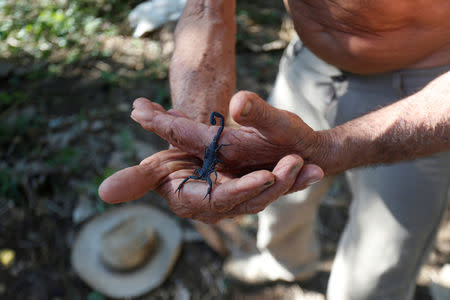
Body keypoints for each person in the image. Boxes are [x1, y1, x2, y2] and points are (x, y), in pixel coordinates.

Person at [99, 1, 450, 299]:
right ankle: (285, 263)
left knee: (382, 256)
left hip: (426, 90)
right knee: (278, 196)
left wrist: (333, 147)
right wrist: (195, 129)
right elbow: (207, 7)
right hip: (308, 65)